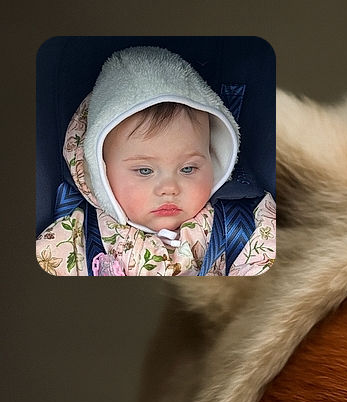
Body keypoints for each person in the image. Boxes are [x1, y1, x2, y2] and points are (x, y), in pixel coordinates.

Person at [36, 45, 275, 276]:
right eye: (144, 171)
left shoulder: (244, 222)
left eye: (188, 168)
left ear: (213, 160)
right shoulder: (72, 240)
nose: (169, 188)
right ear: (100, 172)